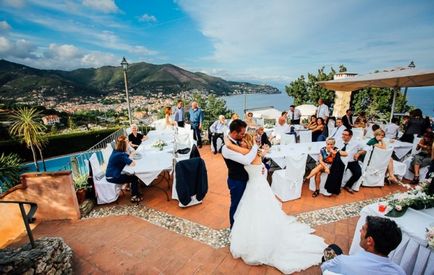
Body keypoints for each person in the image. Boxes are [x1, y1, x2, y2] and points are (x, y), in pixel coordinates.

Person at [225, 133, 327, 274]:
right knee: (255, 213)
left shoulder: (250, 153)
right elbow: (262, 163)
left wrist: (229, 144)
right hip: (257, 184)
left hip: (256, 186)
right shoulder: (255, 151)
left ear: (247, 142)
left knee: (258, 212)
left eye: (242, 141)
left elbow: (242, 154)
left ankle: (260, 240)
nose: (240, 143)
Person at [321, 216, 405, 275]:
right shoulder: (399, 272)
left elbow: (325, 269)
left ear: (369, 241)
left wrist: (332, 260)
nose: (360, 231)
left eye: (363, 229)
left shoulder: (342, 261)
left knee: (332, 249)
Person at [221, 119, 258, 228]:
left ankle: (242, 228)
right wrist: (255, 147)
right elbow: (247, 160)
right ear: (234, 133)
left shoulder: (238, 142)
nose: (244, 135)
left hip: (246, 178)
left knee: (245, 204)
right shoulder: (226, 148)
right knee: (236, 205)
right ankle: (234, 229)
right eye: (242, 133)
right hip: (237, 181)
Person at [105, 135, 142, 202]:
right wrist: (130, 158)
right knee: (134, 178)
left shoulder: (116, 151)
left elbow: (128, 157)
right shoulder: (120, 155)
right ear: (124, 146)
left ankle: (135, 191)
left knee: (131, 175)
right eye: (127, 144)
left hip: (111, 174)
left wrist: (129, 157)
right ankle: (134, 196)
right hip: (113, 177)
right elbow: (132, 164)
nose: (128, 145)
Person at [338, 129, 364, 194]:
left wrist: (358, 153)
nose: (343, 136)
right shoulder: (339, 141)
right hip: (340, 161)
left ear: (350, 136)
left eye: (345, 135)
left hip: (351, 161)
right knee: (338, 171)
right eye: (343, 134)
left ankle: (348, 185)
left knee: (358, 173)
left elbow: (365, 148)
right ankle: (337, 186)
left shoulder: (356, 143)